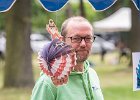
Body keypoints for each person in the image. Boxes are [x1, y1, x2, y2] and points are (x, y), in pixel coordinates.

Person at [31, 16, 104, 100]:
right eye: (76, 38)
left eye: (88, 38)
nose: (83, 44)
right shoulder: (48, 83)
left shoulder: (92, 74)